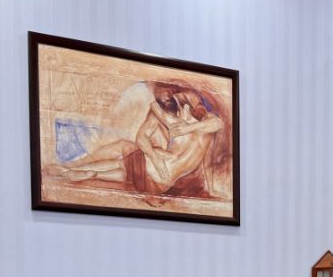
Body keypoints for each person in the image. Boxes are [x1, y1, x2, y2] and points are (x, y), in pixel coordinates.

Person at [46, 82, 226, 203]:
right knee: (124, 172)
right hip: (161, 183)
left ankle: (75, 169)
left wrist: (159, 111)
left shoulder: (177, 122)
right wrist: (155, 155)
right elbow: (216, 124)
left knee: (121, 162)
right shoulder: (204, 128)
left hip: (152, 166)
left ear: (184, 105)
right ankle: (91, 173)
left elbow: (215, 123)